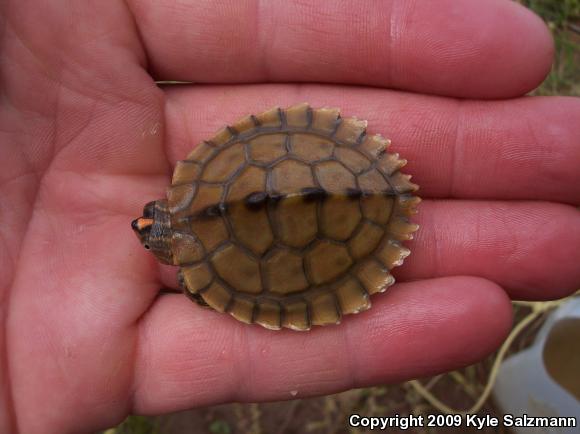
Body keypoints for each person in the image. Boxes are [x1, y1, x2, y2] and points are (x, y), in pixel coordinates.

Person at [1, 1, 579, 433]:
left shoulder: (211, 277)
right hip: (331, 172)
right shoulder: (204, 174)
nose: (148, 224)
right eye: (156, 233)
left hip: (348, 186)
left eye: (155, 220)